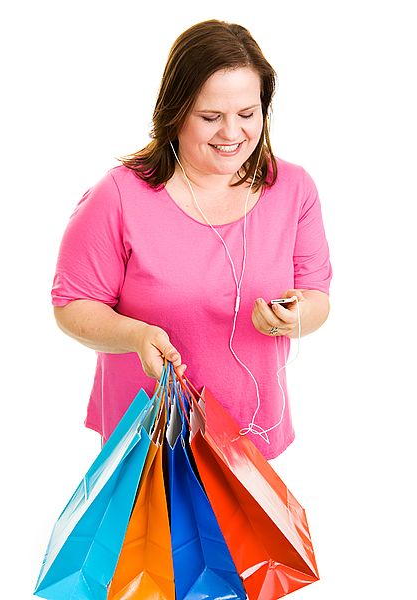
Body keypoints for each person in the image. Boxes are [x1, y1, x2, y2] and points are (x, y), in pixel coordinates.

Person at [51, 19, 332, 460]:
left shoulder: (292, 189)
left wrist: (292, 317)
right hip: (147, 441)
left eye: (247, 114)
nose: (232, 133)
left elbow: (317, 299)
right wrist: (135, 334)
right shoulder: (119, 195)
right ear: (176, 111)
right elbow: (72, 306)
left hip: (248, 436)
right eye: (210, 117)